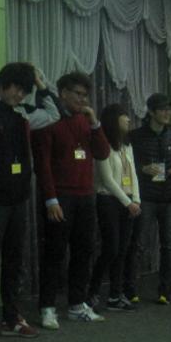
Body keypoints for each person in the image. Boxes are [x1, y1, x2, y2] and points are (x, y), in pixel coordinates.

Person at [0, 63, 59, 342]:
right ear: (2, 84)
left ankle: (11, 317)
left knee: (15, 260)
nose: (20, 94)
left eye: (24, 90)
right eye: (16, 88)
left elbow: (54, 114)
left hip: (19, 199)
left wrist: (40, 84)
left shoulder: (24, 112)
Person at [31, 71, 111, 327]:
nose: (82, 99)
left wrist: (95, 123)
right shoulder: (49, 120)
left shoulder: (85, 121)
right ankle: (47, 307)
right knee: (54, 253)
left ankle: (77, 304)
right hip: (60, 197)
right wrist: (50, 199)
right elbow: (42, 164)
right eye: (78, 94)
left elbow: (103, 152)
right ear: (63, 93)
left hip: (85, 196)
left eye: (85, 95)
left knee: (84, 252)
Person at [125, 93, 171, 305]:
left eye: (170, 109)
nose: (168, 113)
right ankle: (130, 289)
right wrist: (143, 169)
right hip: (146, 197)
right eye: (163, 109)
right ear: (151, 112)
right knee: (138, 244)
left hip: (170, 198)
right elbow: (126, 165)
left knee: (169, 246)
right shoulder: (135, 136)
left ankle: (165, 291)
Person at [88, 104, 141, 312]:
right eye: (123, 116)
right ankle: (91, 292)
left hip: (129, 202)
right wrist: (128, 202)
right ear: (113, 119)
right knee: (111, 248)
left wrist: (136, 199)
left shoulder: (127, 145)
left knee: (123, 250)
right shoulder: (104, 145)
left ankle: (115, 296)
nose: (128, 119)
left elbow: (133, 173)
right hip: (109, 200)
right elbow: (107, 180)